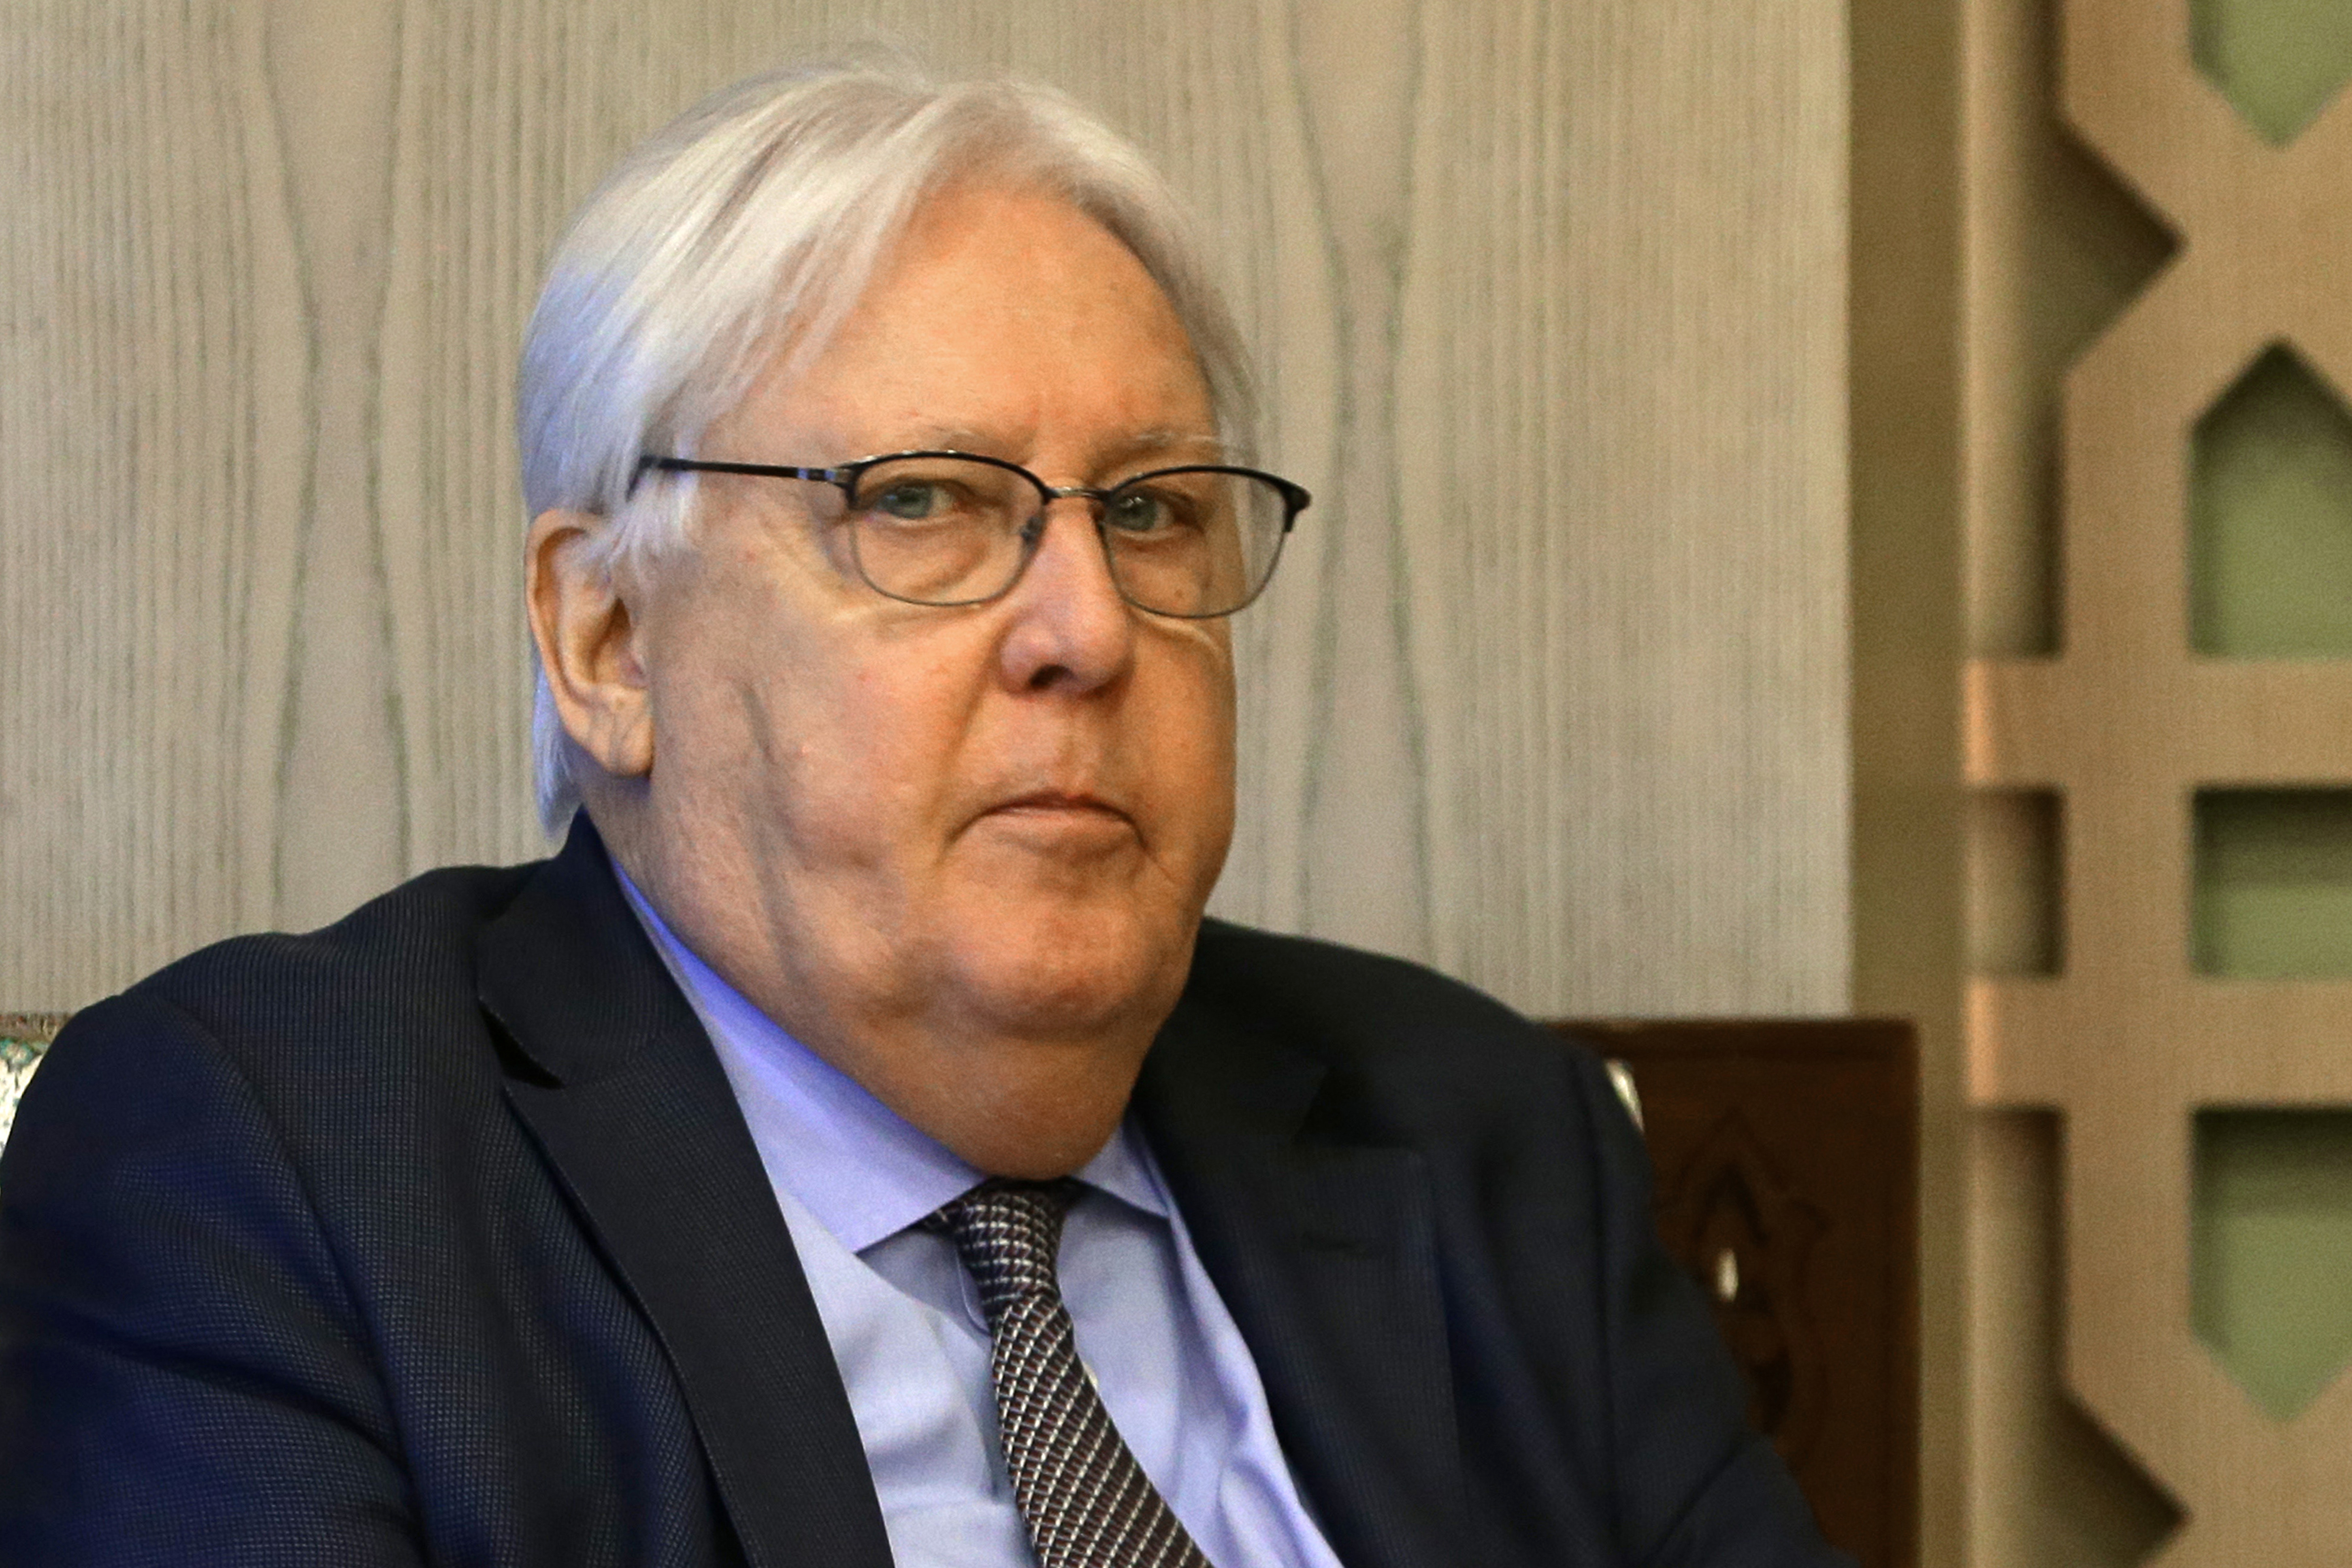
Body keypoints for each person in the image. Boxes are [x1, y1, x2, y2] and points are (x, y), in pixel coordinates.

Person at [0, 62, 1847, 1568]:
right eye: (922, 503)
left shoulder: (1475, 1131)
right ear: (609, 639)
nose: (1088, 631)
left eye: (1152, 512)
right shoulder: (279, 1162)